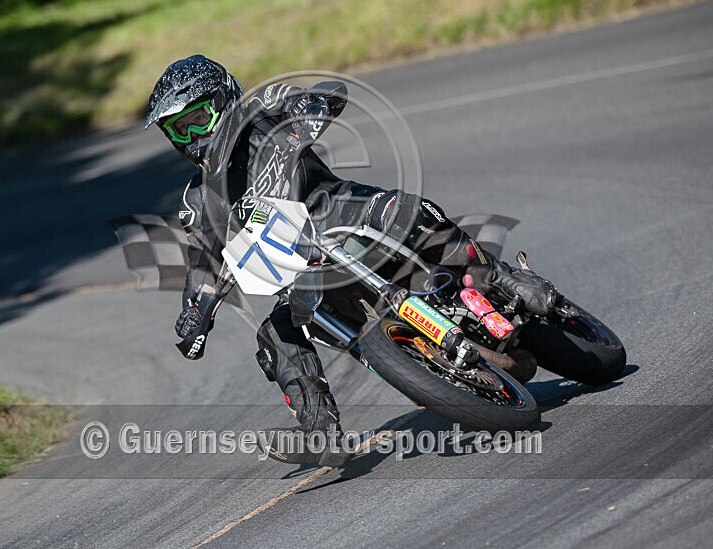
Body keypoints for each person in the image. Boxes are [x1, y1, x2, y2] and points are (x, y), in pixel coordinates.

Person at [145, 55, 557, 466]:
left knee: (410, 211)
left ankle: (500, 279)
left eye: (197, 120)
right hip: (307, 268)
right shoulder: (199, 199)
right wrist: (194, 314)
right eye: (178, 131)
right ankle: (320, 433)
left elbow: (321, 97)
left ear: (224, 99)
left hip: (349, 213)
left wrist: (312, 107)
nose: (191, 138)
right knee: (274, 334)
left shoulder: (263, 114)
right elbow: (204, 257)